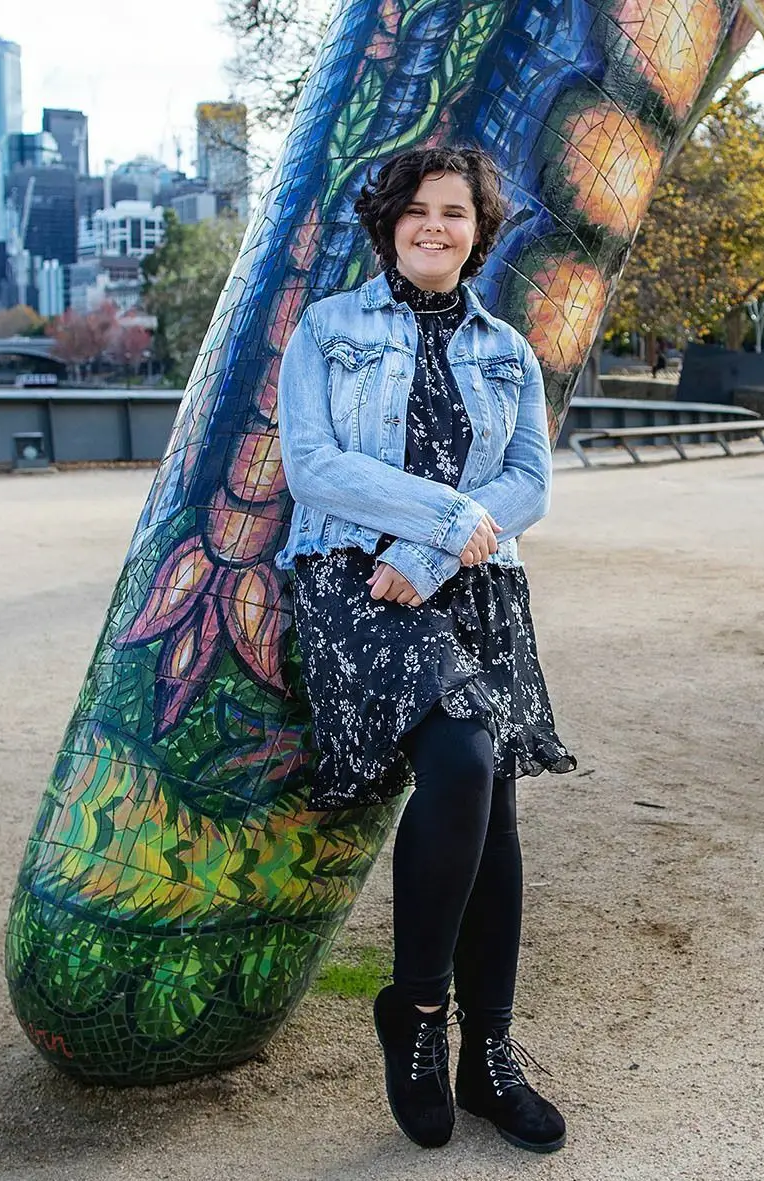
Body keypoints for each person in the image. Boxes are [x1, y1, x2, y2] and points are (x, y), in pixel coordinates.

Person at [275, 145, 576, 1154]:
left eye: (454, 211)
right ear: (388, 226)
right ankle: (415, 1013)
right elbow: (314, 465)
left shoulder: (508, 349)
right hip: (355, 581)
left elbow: (530, 479)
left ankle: (488, 1055)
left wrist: (436, 545)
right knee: (461, 760)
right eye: (416, 210)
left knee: (496, 810)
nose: (434, 225)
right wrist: (444, 519)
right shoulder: (329, 330)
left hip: (469, 583)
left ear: (476, 230)